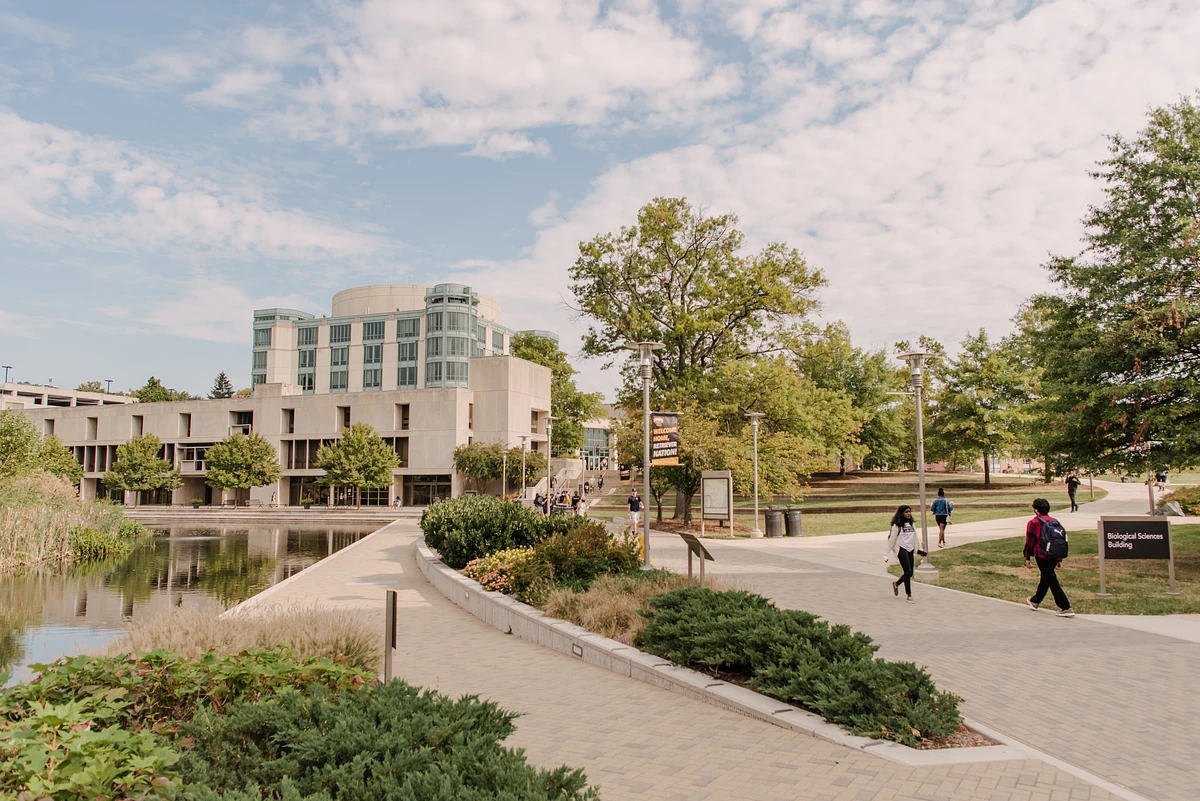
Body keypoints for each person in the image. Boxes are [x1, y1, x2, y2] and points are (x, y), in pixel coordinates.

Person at [1024, 498, 1074, 617]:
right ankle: (1035, 601)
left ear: (1036, 510)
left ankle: (1065, 607)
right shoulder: (1054, 522)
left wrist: (1027, 557)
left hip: (1041, 555)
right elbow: (1058, 540)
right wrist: (1058, 559)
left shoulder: (1033, 523)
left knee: (1051, 580)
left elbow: (1030, 541)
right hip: (1053, 554)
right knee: (1045, 578)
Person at [885, 505, 917, 603]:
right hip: (901, 548)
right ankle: (909, 595)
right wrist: (886, 553)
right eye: (906, 512)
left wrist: (919, 549)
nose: (908, 514)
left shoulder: (912, 523)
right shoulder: (897, 525)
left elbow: (915, 537)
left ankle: (896, 583)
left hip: (910, 548)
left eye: (909, 512)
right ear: (901, 513)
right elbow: (892, 539)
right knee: (907, 571)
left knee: (910, 572)